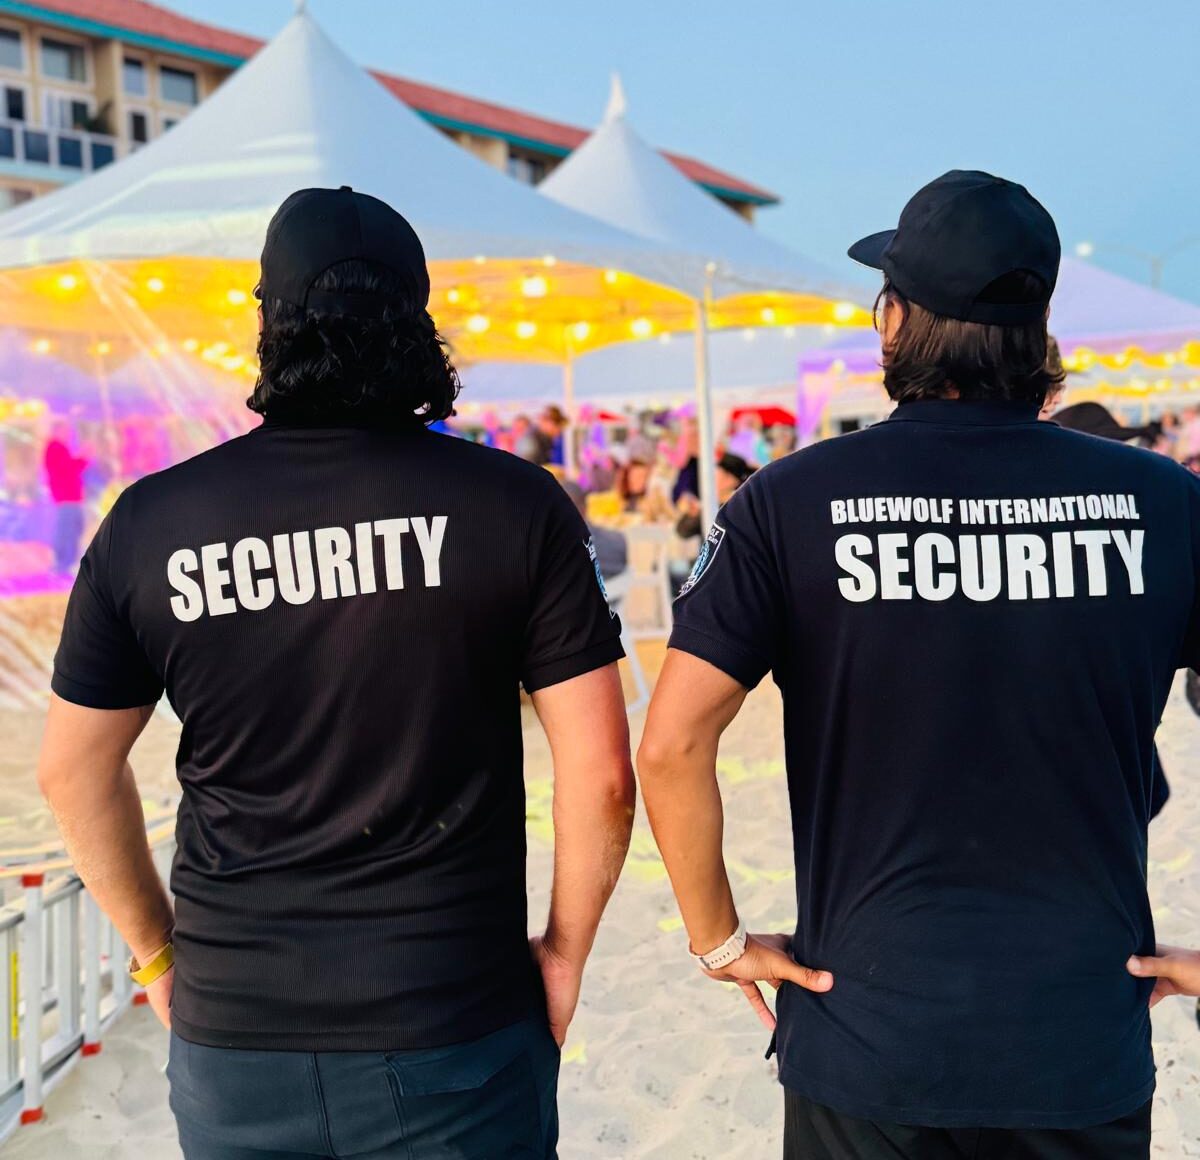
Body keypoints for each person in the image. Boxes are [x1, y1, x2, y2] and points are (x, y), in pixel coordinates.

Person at [37, 186, 636, 1160]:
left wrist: (155, 953)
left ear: (268, 322)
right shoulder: (513, 504)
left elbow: (70, 768)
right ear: (419, 324)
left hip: (236, 1028)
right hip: (449, 1013)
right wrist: (565, 950)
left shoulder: (152, 522)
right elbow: (603, 774)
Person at [638, 170, 1200, 1159]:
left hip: (867, 1039)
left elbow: (672, 741)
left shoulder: (789, 500)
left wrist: (719, 935)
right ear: (1036, 332)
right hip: (1076, 1037)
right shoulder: (1163, 501)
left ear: (895, 320)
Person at [43, 419, 88, 575]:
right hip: (67, 498)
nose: (68, 434)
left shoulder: (58, 448)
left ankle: (64, 562)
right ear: (57, 431)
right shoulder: (55, 448)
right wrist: (82, 458)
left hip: (69, 498)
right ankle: (64, 563)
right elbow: (66, 471)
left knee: (71, 529)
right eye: (65, 430)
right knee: (69, 530)